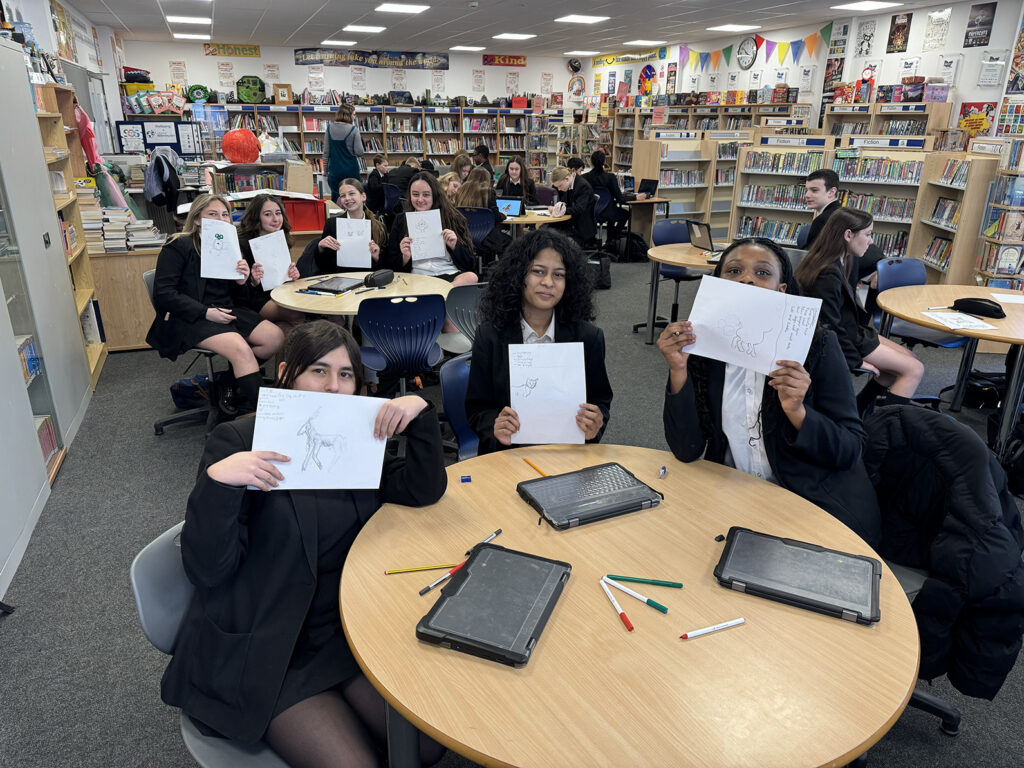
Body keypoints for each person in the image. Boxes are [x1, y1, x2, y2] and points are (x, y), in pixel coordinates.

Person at [160, 320, 447, 768]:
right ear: (287, 374)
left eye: (346, 374)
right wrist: (219, 485)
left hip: (344, 629)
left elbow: (418, 491)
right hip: (272, 644)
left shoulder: (355, 436)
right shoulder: (237, 441)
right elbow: (208, 570)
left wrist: (421, 415)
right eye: (318, 371)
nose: (334, 387)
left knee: (426, 746)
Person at [658, 238, 880, 546]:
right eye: (733, 271)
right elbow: (686, 449)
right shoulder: (704, 352)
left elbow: (849, 450)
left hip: (809, 504)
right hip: (733, 497)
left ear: (782, 290)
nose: (746, 278)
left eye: (762, 273)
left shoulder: (817, 346)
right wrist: (678, 370)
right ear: (719, 284)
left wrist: (799, 413)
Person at [466, 228, 612, 455]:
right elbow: (477, 407)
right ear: (518, 275)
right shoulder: (490, 336)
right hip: (506, 456)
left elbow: (600, 400)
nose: (548, 282)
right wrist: (494, 426)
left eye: (559, 274)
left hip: (568, 453)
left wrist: (595, 424)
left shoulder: (588, 338)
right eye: (538, 271)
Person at [146, 194, 284, 413]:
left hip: (227, 310)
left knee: (275, 338)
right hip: (190, 316)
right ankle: (264, 418)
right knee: (241, 350)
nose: (221, 220)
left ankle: (228, 382)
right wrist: (205, 312)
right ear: (198, 219)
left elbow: (241, 298)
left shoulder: (231, 247)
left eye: (225, 215)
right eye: (213, 214)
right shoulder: (178, 244)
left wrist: (243, 281)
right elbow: (164, 294)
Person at [795, 207, 924, 410]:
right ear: (848, 235)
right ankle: (889, 428)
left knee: (908, 360)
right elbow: (828, 327)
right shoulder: (827, 274)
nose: (871, 241)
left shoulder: (838, 259)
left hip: (852, 331)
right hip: (845, 338)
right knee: (914, 369)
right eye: (868, 234)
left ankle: (859, 410)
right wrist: (854, 361)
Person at [236, 194, 305, 338]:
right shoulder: (242, 244)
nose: (275, 219)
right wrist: (253, 281)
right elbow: (237, 289)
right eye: (268, 214)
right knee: (296, 312)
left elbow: (279, 274)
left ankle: (292, 358)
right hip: (255, 299)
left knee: (286, 330)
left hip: (279, 292)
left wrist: (291, 274)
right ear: (257, 217)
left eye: (278, 213)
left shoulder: (280, 237)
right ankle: (302, 357)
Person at [803, 168, 882, 285]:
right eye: (807, 190)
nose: (807, 195)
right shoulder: (842, 214)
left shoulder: (824, 220)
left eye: (814, 190)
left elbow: (810, 258)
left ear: (831, 192)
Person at [313, 178, 387, 276]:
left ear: (363, 196)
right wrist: (320, 247)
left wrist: (377, 256)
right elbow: (323, 265)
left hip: (369, 279)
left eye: (352, 194)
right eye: (343, 196)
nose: (347, 198)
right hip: (340, 279)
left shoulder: (378, 226)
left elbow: (387, 265)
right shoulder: (332, 224)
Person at [454, 167, 511, 261]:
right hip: (485, 236)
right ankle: (503, 270)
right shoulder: (488, 192)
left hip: (464, 235)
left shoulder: (461, 191)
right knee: (509, 242)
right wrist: (504, 215)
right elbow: (496, 216)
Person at [583, 150, 637, 243]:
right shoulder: (610, 177)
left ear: (591, 162)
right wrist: (635, 197)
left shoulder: (585, 177)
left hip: (590, 211)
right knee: (625, 214)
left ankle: (595, 241)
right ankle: (612, 239)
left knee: (612, 211)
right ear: (604, 162)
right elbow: (620, 198)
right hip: (607, 211)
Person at [322, 104, 364, 202]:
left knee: (337, 200)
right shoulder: (354, 130)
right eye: (354, 114)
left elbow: (325, 153)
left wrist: (325, 171)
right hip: (351, 171)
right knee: (353, 199)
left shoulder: (329, 128)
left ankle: (337, 217)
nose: (354, 117)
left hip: (334, 172)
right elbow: (359, 152)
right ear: (348, 115)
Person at [549, 165, 596, 246]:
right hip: (572, 223)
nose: (559, 189)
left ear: (567, 179)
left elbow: (579, 209)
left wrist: (560, 210)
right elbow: (565, 202)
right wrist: (558, 207)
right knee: (544, 229)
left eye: (560, 186)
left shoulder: (582, 186)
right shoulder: (569, 185)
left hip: (581, 227)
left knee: (551, 235)